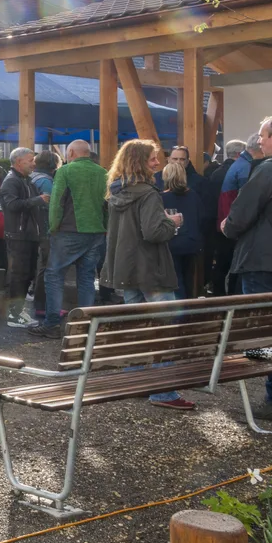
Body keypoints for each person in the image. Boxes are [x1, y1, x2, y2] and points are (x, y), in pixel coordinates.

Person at [105, 139, 194, 411]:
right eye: (152, 159)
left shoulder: (117, 190)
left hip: (125, 268)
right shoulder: (148, 193)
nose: (158, 163)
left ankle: (135, 381)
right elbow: (154, 232)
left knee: (138, 327)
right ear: (138, 161)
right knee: (165, 329)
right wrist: (173, 223)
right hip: (151, 269)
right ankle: (164, 391)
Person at [222, 114, 272, 421]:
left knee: (270, 332)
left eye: (263, 136)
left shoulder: (270, 170)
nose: (260, 141)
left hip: (264, 262)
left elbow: (239, 216)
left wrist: (227, 226)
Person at [30, 140, 107, 339]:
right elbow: (107, 204)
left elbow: (56, 204)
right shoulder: (102, 172)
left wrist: (53, 228)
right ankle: (85, 325)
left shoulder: (65, 171)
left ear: (70, 152)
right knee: (87, 277)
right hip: (96, 231)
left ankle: (52, 323)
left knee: (54, 274)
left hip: (69, 231)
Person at [1, 147, 48, 329]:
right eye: (30, 160)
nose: (33, 163)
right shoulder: (11, 181)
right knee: (19, 275)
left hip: (27, 235)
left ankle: (18, 312)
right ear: (19, 162)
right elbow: (12, 205)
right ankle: (14, 315)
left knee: (26, 274)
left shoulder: (26, 180)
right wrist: (39, 200)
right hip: (18, 235)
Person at [209, 139, 248, 296]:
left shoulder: (216, 173)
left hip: (217, 224)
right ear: (239, 154)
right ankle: (231, 298)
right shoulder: (240, 171)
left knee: (221, 264)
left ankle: (217, 296)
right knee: (234, 265)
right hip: (231, 224)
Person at [161, 162, 202, 299]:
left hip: (171, 244)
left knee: (176, 281)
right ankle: (189, 308)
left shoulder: (161, 197)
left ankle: (180, 315)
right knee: (189, 279)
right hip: (191, 243)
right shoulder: (194, 195)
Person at [28, 151, 58, 319]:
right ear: (53, 164)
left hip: (34, 228)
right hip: (45, 229)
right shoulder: (46, 181)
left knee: (41, 267)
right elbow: (52, 206)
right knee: (47, 267)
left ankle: (40, 305)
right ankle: (42, 306)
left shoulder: (31, 177)